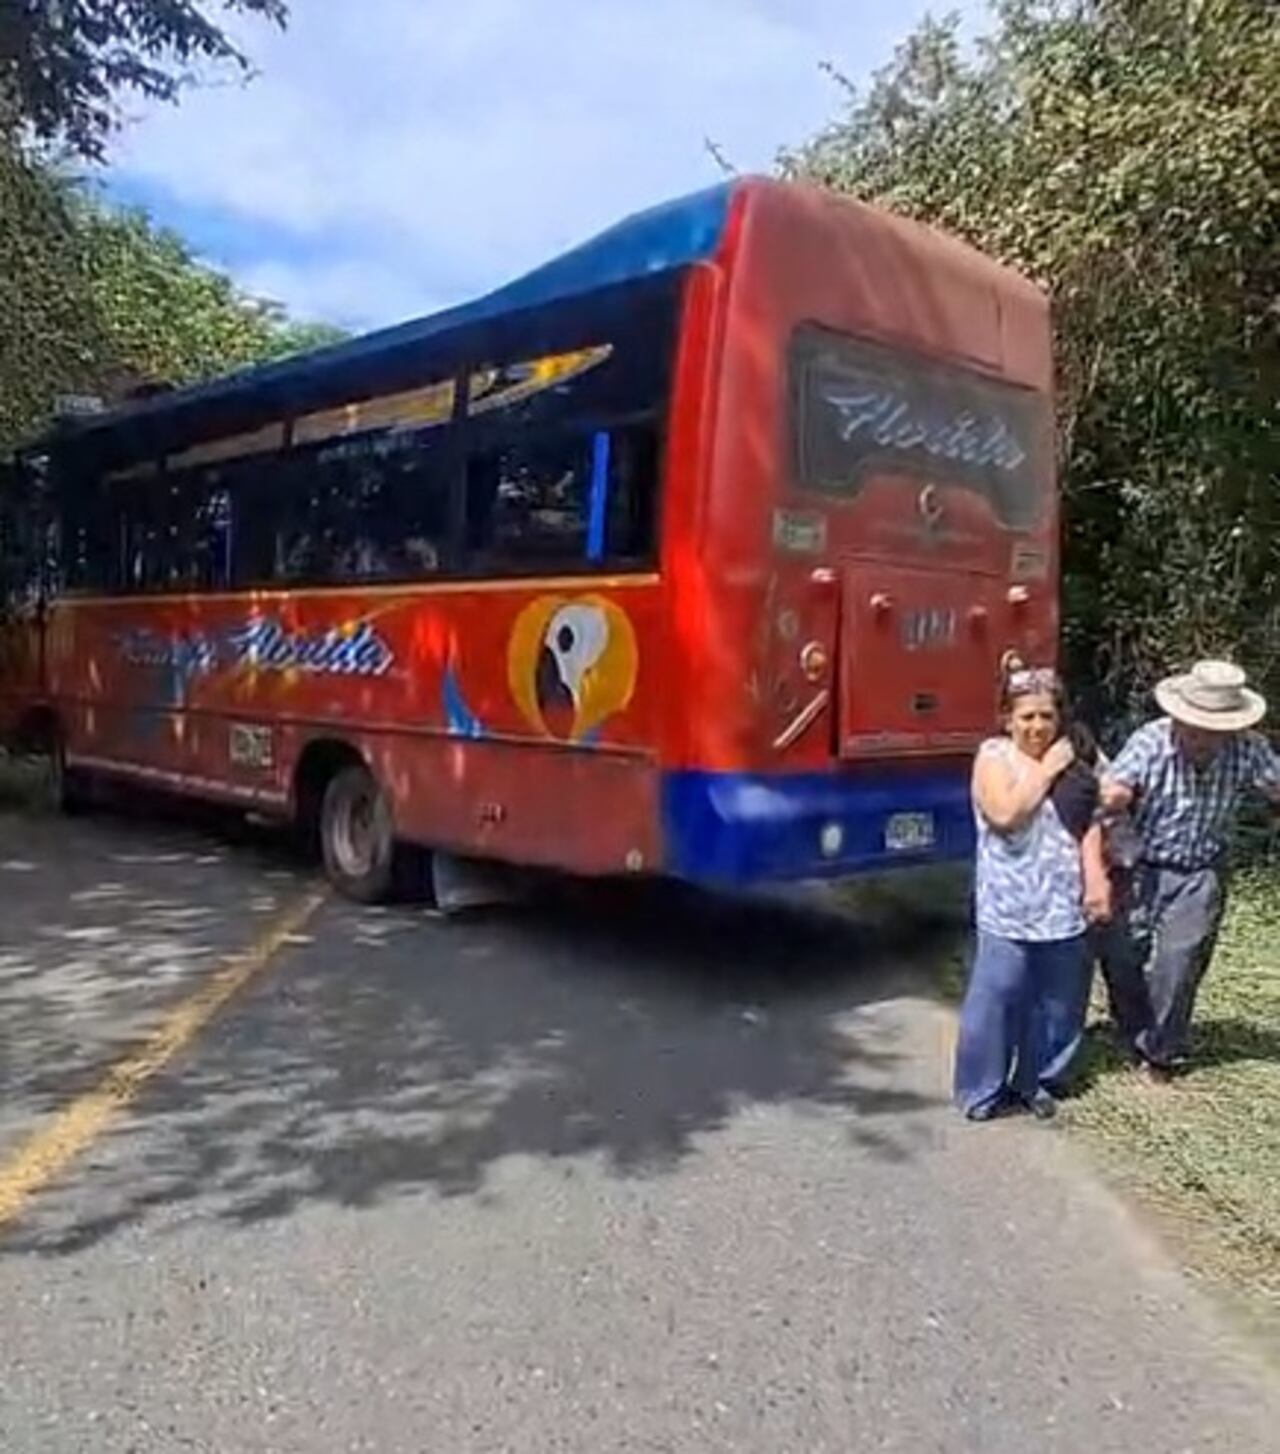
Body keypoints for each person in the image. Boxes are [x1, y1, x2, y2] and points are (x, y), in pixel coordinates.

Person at [1098, 660, 1279, 1081]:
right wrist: (1116, 800)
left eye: (1214, 731)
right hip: (1140, 863)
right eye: (1195, 728)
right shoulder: (1150, 741)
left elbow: (1274, 786)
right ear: (1178, 718)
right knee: (1124, 954)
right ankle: (1131, 1029)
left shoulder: (1247, 747)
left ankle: (1161, 1052)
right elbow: (1114, 790)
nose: (1202, 738)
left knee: (1179, 961)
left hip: (1201, 869)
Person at [954, 667, 1112, 1121]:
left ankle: (1038, 1082)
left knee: (1057, 1003)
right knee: (997, 999)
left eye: (1046, 715)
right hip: (1007, 906)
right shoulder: (993, 757)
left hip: (1063, 904)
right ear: (1006, 719)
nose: (1037, 726)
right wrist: (1047, 770)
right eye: (1026, 716)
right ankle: (981, 1091)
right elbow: (1005, 813)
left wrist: (1097, 877)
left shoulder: (1078, 751)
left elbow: (1096, 813)